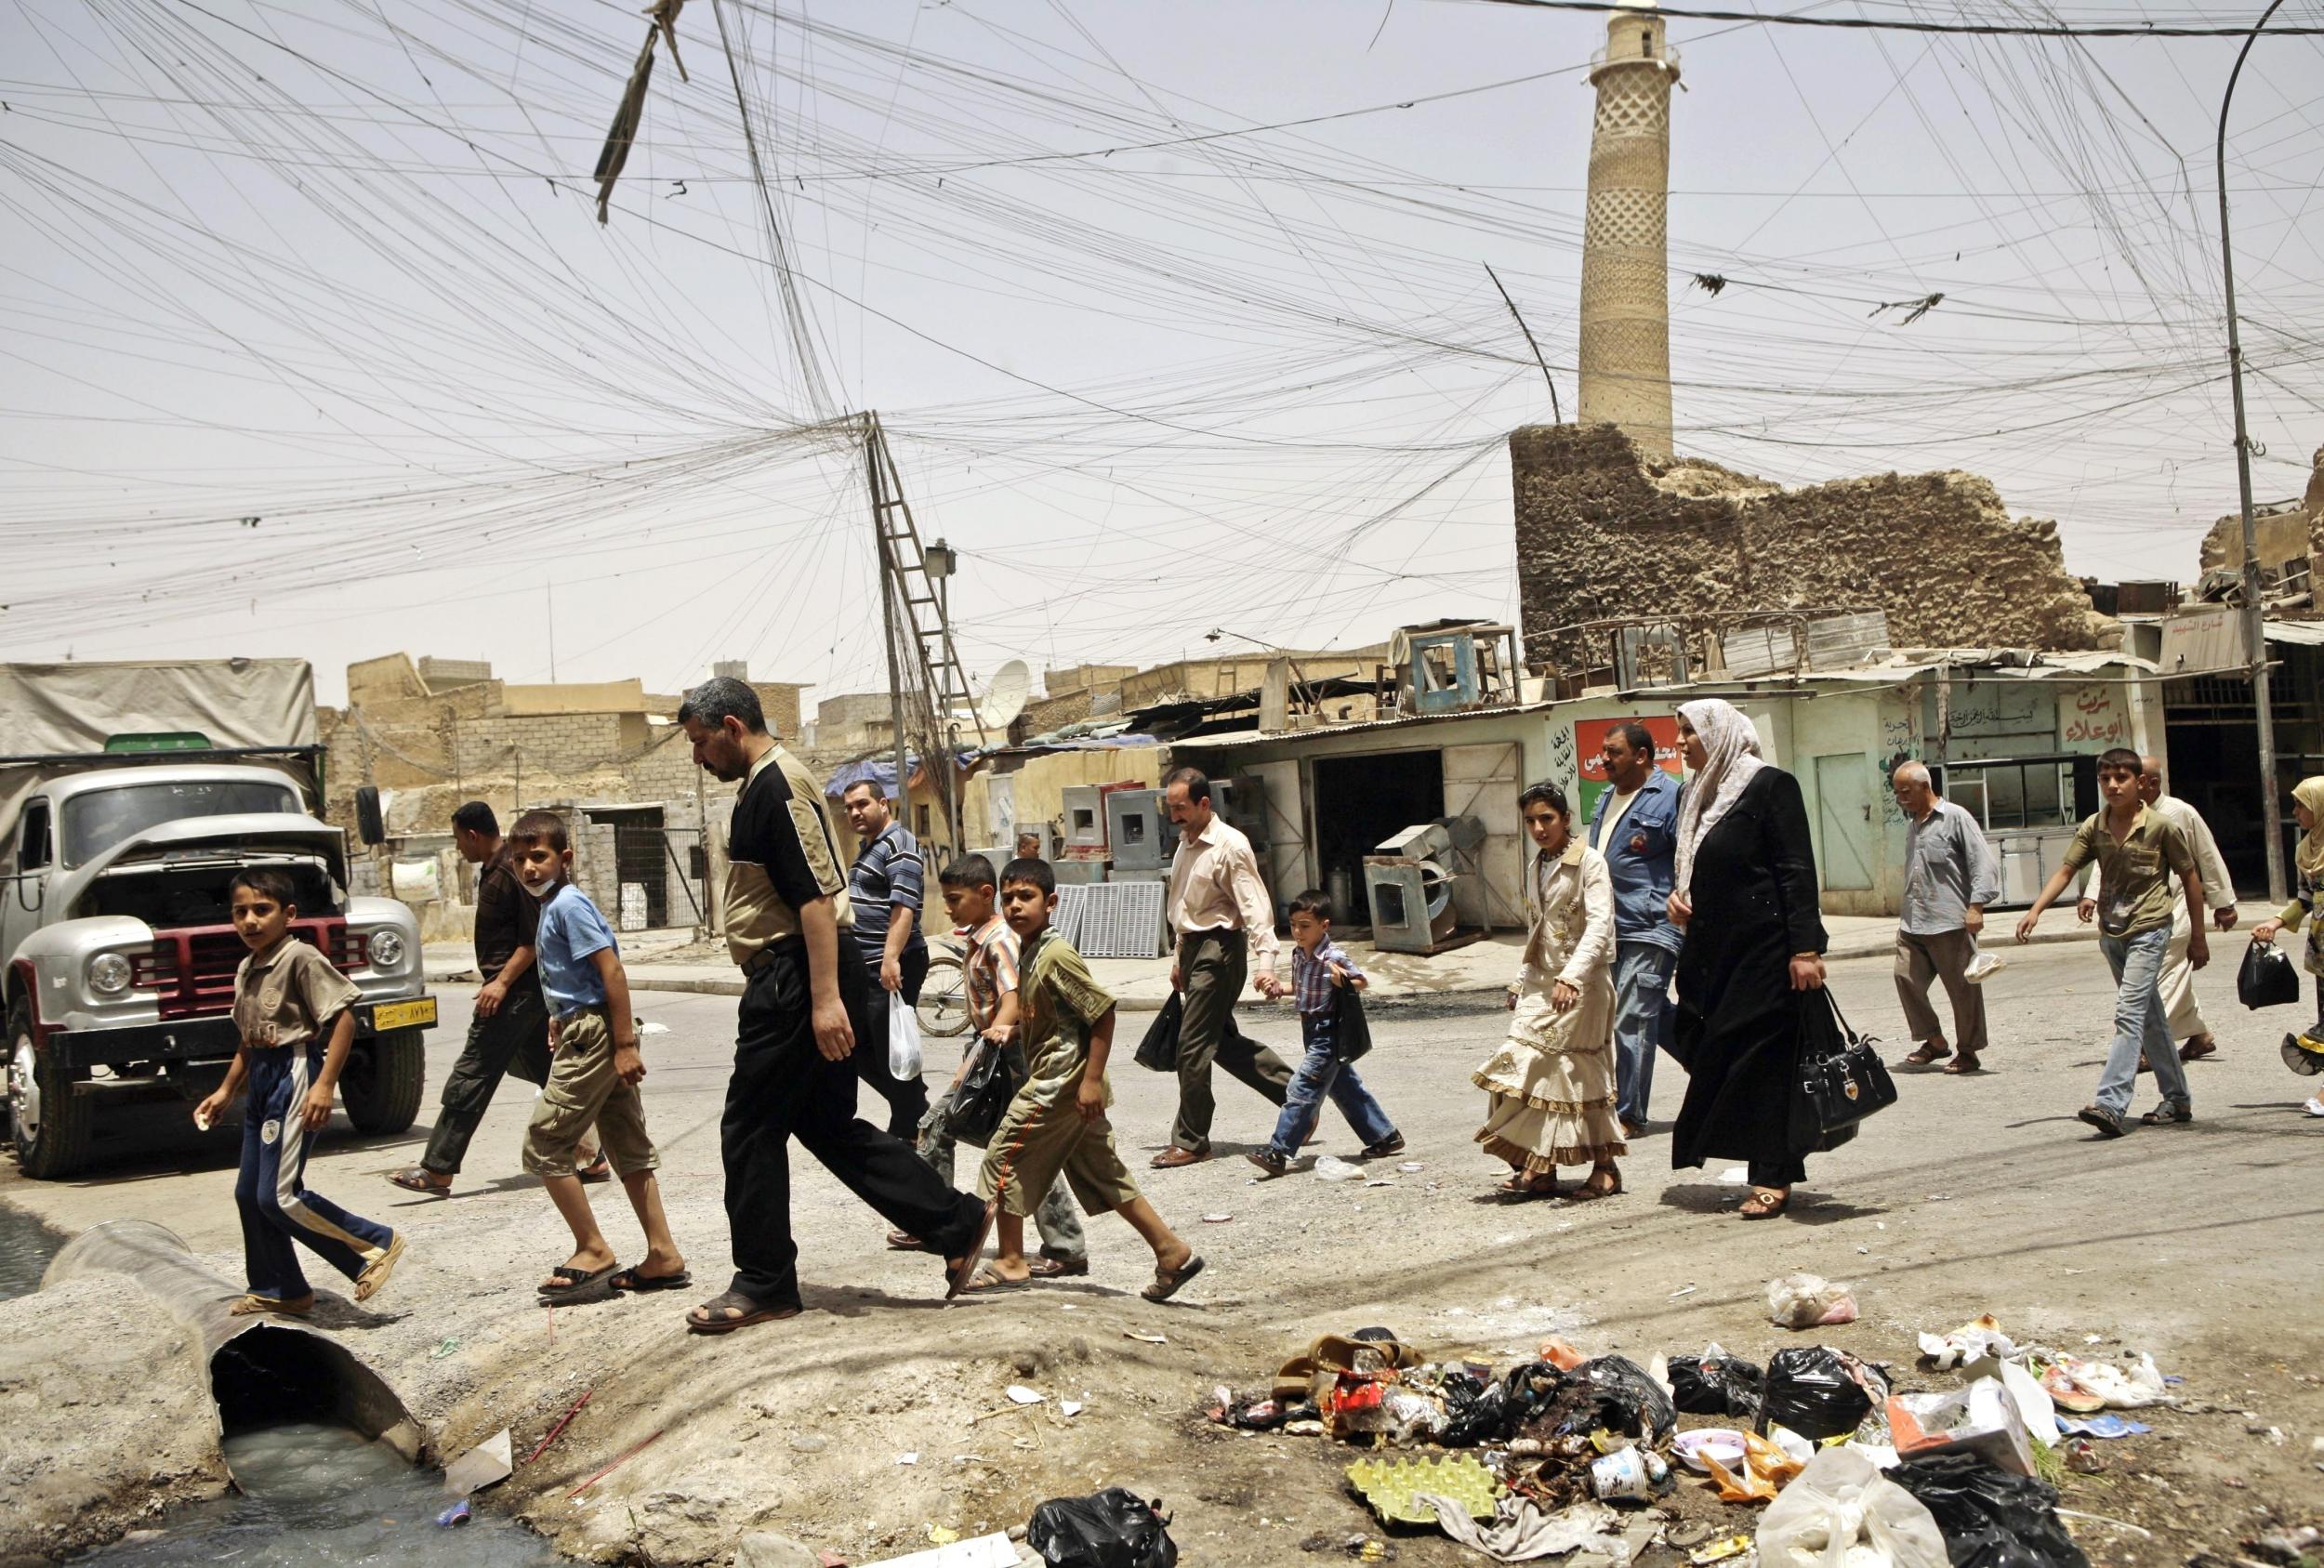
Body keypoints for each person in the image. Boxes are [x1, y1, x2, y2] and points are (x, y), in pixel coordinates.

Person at [676, 678, 988, 1332]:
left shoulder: (777, 786)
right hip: (798, 974)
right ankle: (956, 1222)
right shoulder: (765, 783)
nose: (698, 758)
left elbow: (817, 898)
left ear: (732, 726)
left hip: (794, 977)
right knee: (826, 1125)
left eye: (703, 743)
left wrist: (823, 1000)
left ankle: (763, 1281)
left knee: (749, 1127)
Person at [965, 858, 1204, 1299]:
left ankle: (1011, 1262)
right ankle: (1171, 1251)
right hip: (1069, 1085)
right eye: (1009, 898)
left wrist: (1091, 1080)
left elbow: (1102, 1013)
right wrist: (1015, 1029)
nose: (1016, 906)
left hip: (1060, 1083)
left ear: (1051, 902)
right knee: (1102, 1171)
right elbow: (1062, 1020)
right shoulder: (1031, 949)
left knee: (1002, 1159)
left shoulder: (1055, 954)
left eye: (1027, 897)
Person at [194, 868, 404, 1316]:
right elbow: (250, 1038)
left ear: (288, 914)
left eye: (262, 910)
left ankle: (374, 1243)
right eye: (240, 912)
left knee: (280, 1194)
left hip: (293, 1073)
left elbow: (344, 1016)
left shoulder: (300, 957)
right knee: (250, 1194)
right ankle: (281, 1287)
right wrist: (226, 1090)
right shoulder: (248, 967)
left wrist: (325, 1084)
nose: (250, 920)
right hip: (263, 1079)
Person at [510, 810, 688, 1300]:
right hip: (585, 1027)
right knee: (626, 1144)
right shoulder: (552, 906)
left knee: (546, 1141)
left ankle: (592, 1248)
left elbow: (611, 971)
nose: (528, 867)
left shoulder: (568, 905)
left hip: (595, 1035)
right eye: (520, 859)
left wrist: (625, 1043)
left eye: (539, 857)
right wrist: (556, 1015)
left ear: (564, 858)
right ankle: (663, 1254)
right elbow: (575, 977)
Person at [1666, 699, 1829, 1221]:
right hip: (1713, 954)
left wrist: (1805, 949)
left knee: (1765, 1064)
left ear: (1719, 734)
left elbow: (1795, 870)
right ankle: (1756, 1159)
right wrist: (1678, 897)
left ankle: (1772, 1175)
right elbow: (1697, 867)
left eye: (1690, 732)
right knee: (1709, 1046)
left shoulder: (1770, 786)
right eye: (1680, 732)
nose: (1682, 742)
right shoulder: (1696, 795)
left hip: (1766, 953)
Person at [391, 800, 604, 1195]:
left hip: (515, 996)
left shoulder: (511, 870)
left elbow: (531, 939)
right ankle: (592, 1155)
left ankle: (438, 1169)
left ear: (473, 835)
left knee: (470, 1076)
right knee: (550, 1075)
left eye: (458, 840)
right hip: (524, 997)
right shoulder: (499, 869)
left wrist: (501, 983)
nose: (459, 849)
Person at [889, 854, 1089, 1275]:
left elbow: (1013, 1000)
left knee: (976, 1134)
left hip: (1004, 1056)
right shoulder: (981, 936)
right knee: (971, 1135)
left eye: (955, 899)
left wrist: (981, 1053)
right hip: (991, 1050)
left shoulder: (999, 939)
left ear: (984, 895)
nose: (948, 908)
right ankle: (936, 1220)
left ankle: (1060, 1244)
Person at [2014, 746, 2207, 1139]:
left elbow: (2190, 878)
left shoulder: (2161, 827)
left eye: (2121, 778)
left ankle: (2111, 1103)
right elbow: (2067, 870)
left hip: (2151, 928)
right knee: (2150, 1016)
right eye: (2105, 779)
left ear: (2140, 783)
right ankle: (2177, 1098)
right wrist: (2035, 910)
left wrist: (2198, 938)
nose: (2113, 786)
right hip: (2112, 934)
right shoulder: (2094, 826)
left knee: (2129, 1014)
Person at [1472, 782, 1624, 1201]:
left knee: (1576, 1075)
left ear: (1566, 818)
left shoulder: (1590, 863)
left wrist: (1572, 977)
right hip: (1542, 983)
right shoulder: (1535, 864)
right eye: (1530, 821)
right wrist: (1522, 981)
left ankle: (1605, 1168)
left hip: (1584, 985)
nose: (1539, 828)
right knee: (1515, 1068)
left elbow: (1599, 926)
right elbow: (1536, 928)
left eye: (1547, 818)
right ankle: (1538, 1167)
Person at [1151, 767, 1293, 1168]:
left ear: (1203, 803)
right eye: (1170, 808)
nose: (1174, 816)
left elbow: (1256, 908)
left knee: (1191, 1045)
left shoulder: (1230, 846)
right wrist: (1180, 958)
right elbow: (1184, 907)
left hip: (1219, 950)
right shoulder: (1184, 844)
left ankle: (1192, 1141)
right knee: (1222, 1042)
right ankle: (1297, 1097)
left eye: (1180, 808)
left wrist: (1267, 963)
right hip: (1195, 950)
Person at [2083, 756, 2238, 1064]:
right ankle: (2198, 1035)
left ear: (2150, 783)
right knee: (2165, 976)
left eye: (2131, 778)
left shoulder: (2179, 813)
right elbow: (2110, 860)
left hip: (2172, 910)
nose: (2118, 786)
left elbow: (2206, 857)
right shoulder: (2118, 815)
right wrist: (2091, 894)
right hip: (2129, 913)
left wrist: (2223, 904)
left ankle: (2147, 1049)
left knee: (2161, 976)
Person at [1245, 891, 1403, 1178]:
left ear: (1324, 925)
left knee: (1302, 1088)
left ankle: (1278, 1151)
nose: (1297, 932)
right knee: (1345, 1088)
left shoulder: (1333, 956)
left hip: (1329, 1032)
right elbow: (1299, 987)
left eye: (1305, 926)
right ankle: (1384, 1136)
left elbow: (1361, 981)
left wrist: (1341, 980)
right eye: (1293, 925)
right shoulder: (1298, 954)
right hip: (1310, 1029)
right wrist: (1279, 989)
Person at [1586, 723, 1682, 1138]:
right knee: (1651, 1015)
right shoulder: (1606, 798)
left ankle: (1628, 1114)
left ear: (1641, 756)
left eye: (1613, 751)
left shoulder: (1672, 796)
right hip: (1612, 927)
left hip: (1651, 926)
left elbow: (1690, 856)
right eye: (1603, 751)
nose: (1603, 758)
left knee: (1631, 1018)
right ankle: (1723, 1070)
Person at [1891, 762, 2001, 1075]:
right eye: (1897, 793)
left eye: (1906, 792)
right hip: (1913, 920)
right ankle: (1935, 1040)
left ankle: (1968, 1051)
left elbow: (1983, 863)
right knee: (1904, 977)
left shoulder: (1956, 817)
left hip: (1950, 921)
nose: (1901, 798)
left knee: (1962, 990)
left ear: (1925, 787)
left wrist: (1976, 905)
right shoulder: (1913, 824)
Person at [841, 780, 931, 1139]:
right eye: (849, 807)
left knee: (890, 1051)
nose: (854, 812)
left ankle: (911, 1122)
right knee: (858, 1049)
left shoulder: (900, 842)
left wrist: (890, 959)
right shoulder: (869, 848)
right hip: (867, 965)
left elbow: (904, 905)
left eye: (862, 804)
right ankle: (914, 1109)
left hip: (892, 962)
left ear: (883, 804)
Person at [2250, 776, 2324, 1116]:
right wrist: (2276, 922)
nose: (2295, 812)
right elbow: (2306, 900)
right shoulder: (2305, 849)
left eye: (2301, 805)